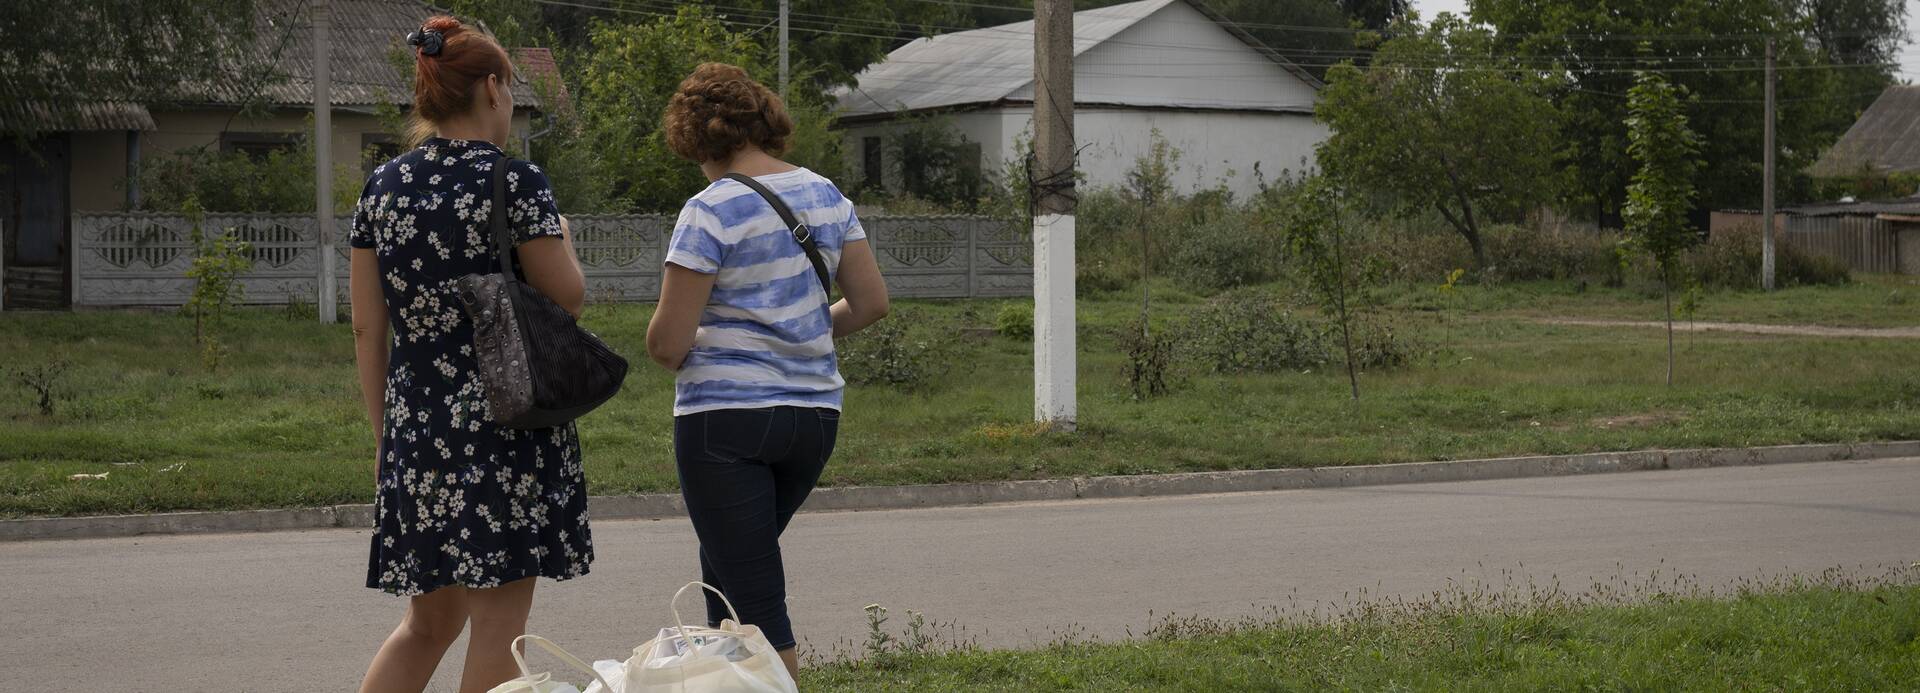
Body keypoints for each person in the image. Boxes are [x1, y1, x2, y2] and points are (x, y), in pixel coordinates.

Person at [349, 16, 592, 693]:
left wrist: (384, 437)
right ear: (491, 87)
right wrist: (562, 232)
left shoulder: (382, 188)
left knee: (427, 625)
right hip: (504, 427)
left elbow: (369, 331)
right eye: (509, 88)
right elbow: (567, 297)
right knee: (497, 625)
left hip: (418, 430)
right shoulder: (517, 183)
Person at [645, 62, 890, 677]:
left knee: (753, 599)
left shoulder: (710, 209)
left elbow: (669, 343)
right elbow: (871, 304)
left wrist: (710, 338)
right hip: (813, 419)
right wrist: (796, 331)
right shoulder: (828, 195)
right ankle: (715, 685)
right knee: (725, 574)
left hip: (725, 423)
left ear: (692, 136)